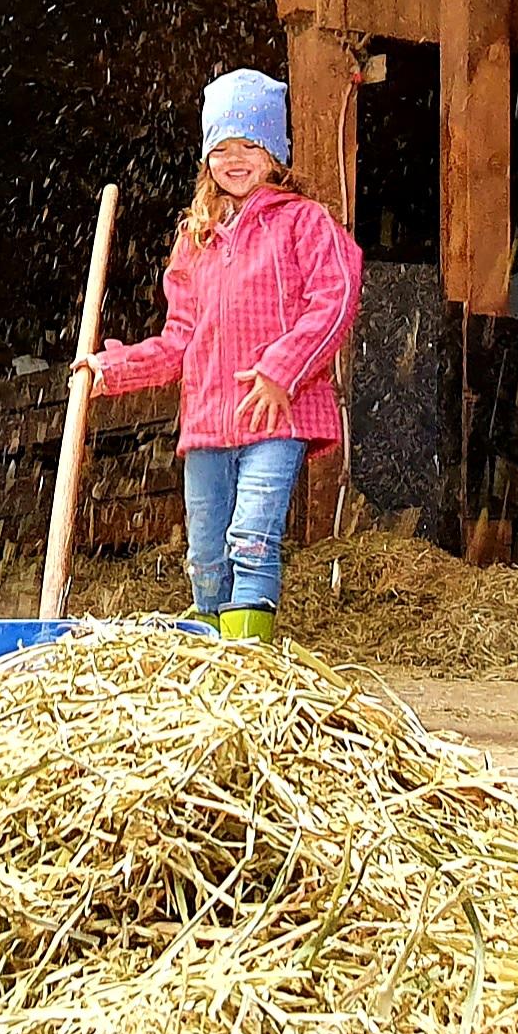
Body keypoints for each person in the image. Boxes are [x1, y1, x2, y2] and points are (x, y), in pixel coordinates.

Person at [80, 70, 364, 644]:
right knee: (206, 548)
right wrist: (113, 369)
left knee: (252, 535)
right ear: (208, 156)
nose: (236, 159)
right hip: (208, 418)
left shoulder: (306, 223)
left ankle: (248, 656)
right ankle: (212, 650)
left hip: (272, 416)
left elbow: (335, 301)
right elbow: (179, 336)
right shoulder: (198, 237)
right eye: (222, 148)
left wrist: (282, 369)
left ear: (275, 154)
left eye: (251, 145)